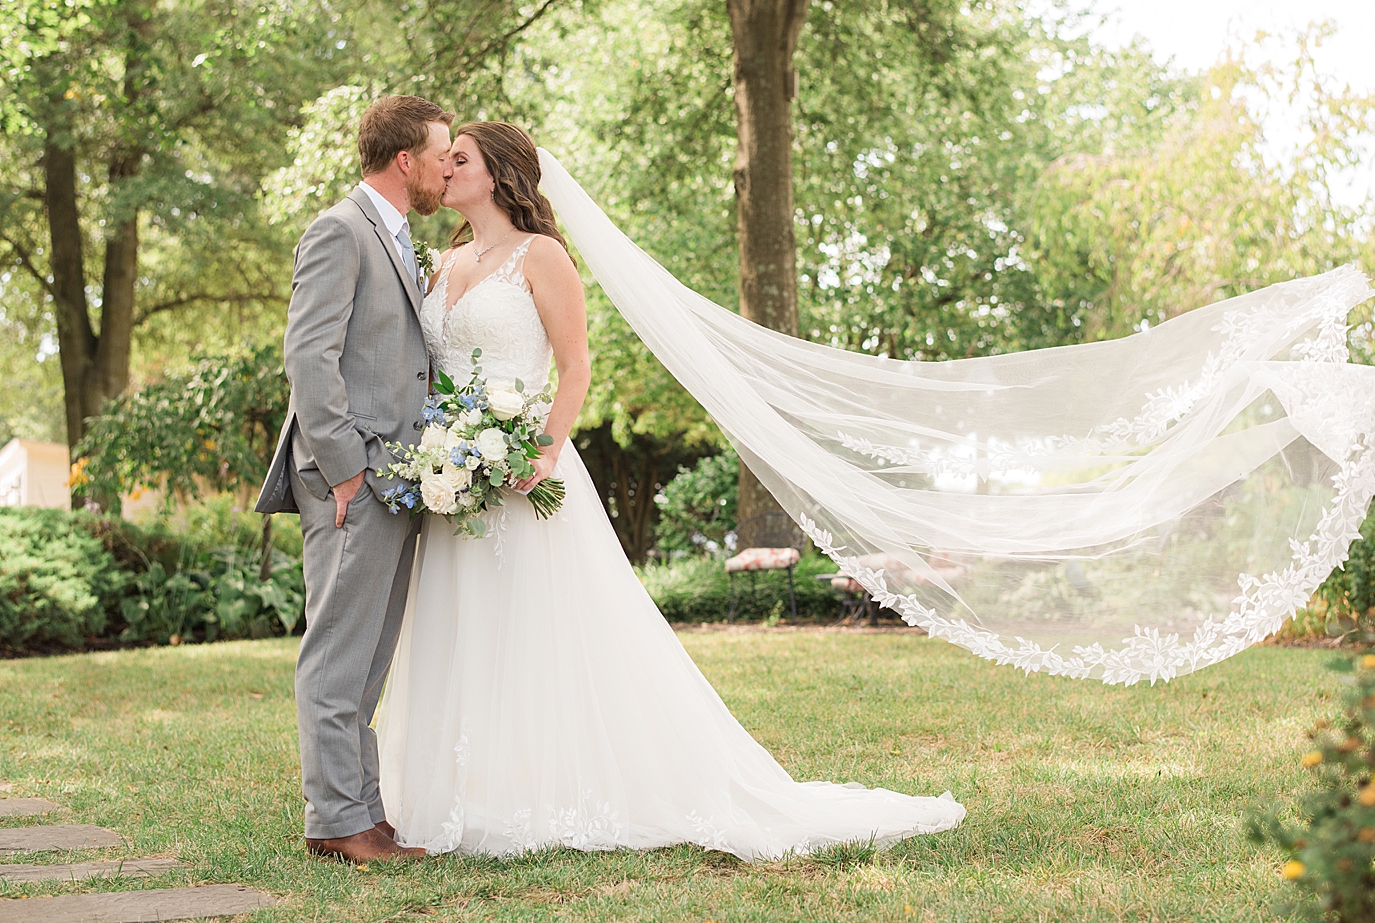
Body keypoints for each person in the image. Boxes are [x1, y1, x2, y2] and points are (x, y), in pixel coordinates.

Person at [374, 121, 966, 859]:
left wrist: (545, 450)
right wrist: (444, 455)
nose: (446, 168)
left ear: (497, 174)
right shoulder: (444, 260)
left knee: (536, 632)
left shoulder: (543, 256)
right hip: (455, 479)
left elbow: (576, 366)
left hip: (527, 471)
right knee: (461, 629)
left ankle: (548, 793)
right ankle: (465, 792)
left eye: (460, 158)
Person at [256, 95, 453, 863]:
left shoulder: (402, 239)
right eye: (440, 152)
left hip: (395, 478)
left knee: (366, 658)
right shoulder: (340, 230)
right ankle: (334, 821)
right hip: (353, 478)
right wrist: (346, 474)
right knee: (338, 654)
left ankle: (362, 814)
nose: (446, 165)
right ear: (405, 160)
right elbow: (310, 359)